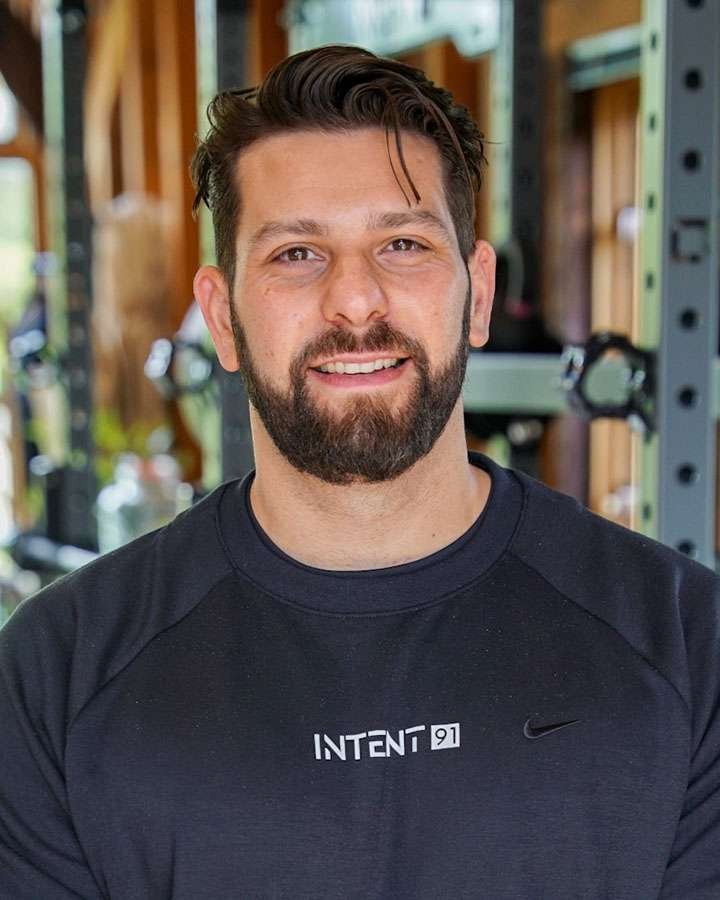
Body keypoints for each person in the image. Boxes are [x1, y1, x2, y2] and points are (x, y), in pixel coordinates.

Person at [0, 44, 718, 900]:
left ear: (478, 295)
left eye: (404, 243)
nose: (355, 300)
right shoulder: (56, 676)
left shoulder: (687, 646)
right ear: (221, 318)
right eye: (296, 254)